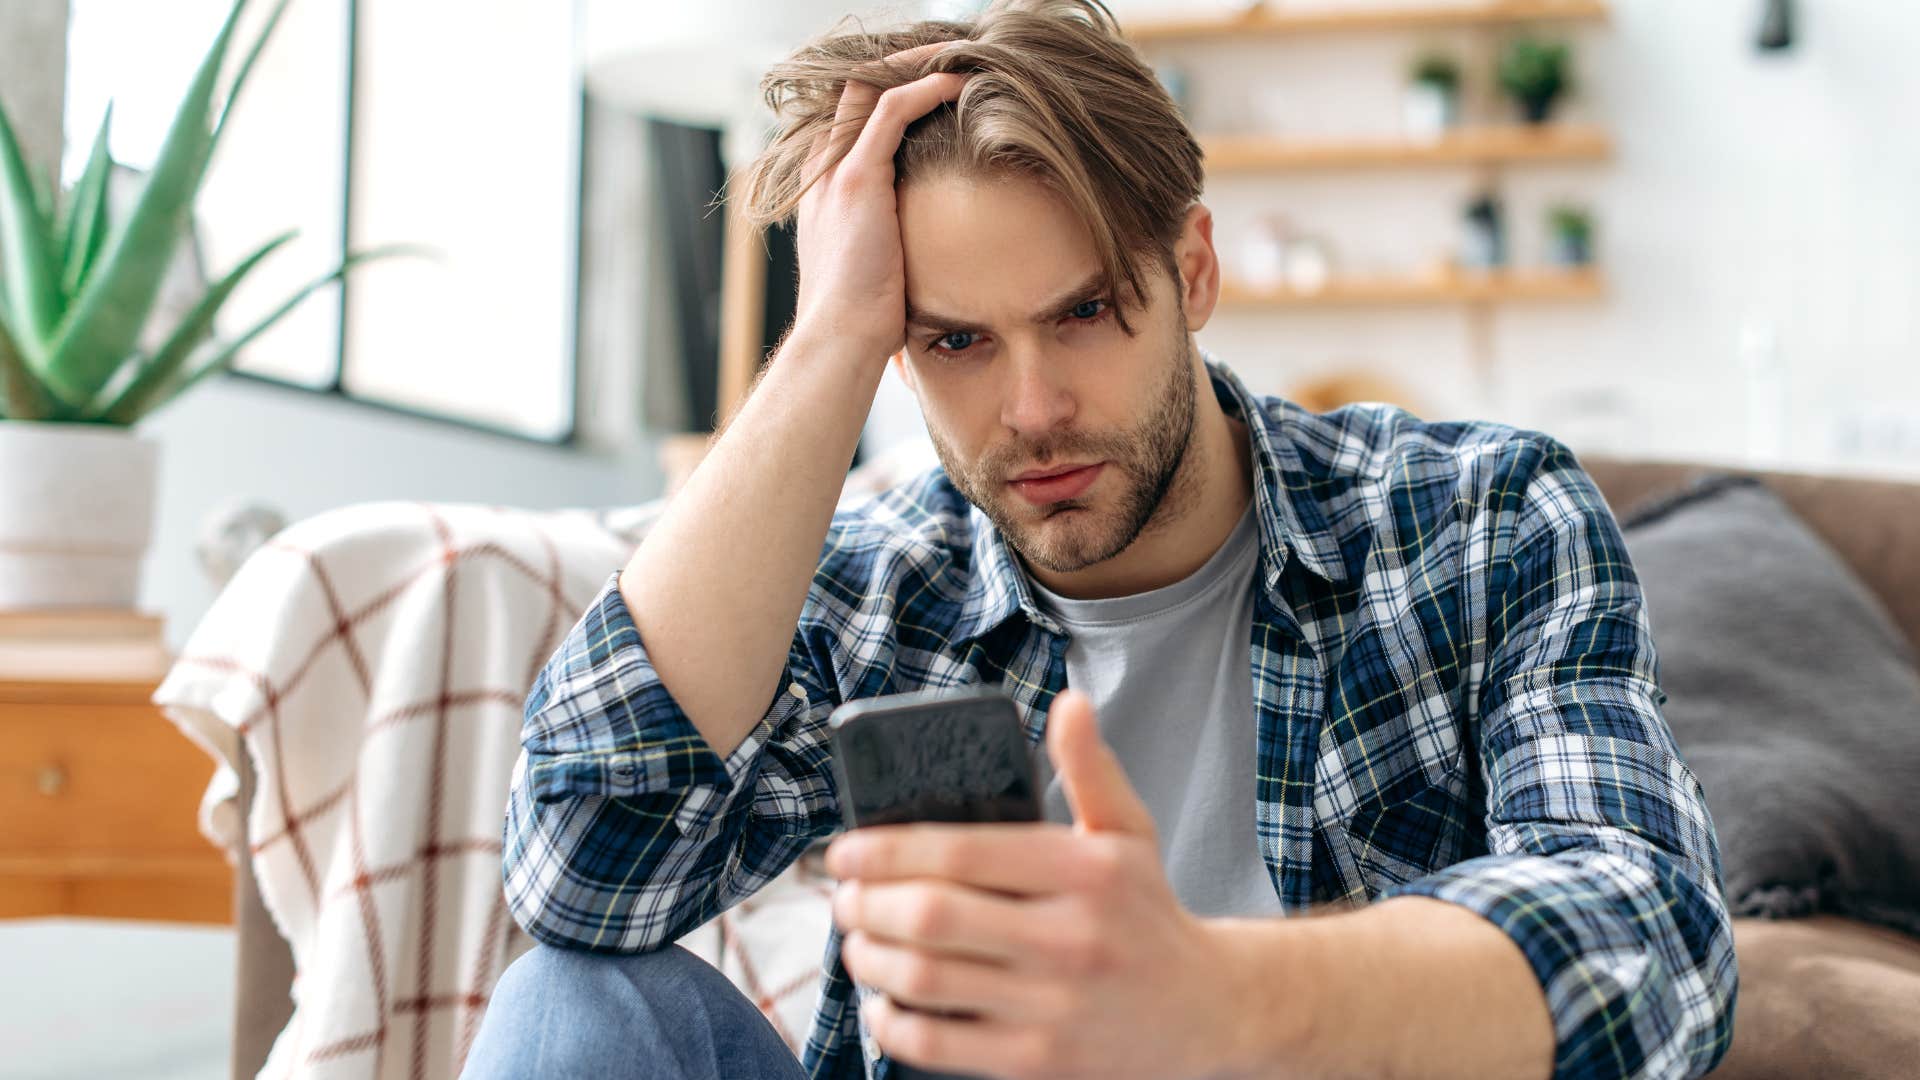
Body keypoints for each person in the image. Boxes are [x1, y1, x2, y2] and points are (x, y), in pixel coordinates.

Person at [466, 2, 1737, 1077]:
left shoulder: (1479, 521)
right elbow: (583, 870)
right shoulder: (881, 585)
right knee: (570, 1011)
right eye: (955, 341)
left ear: (1190, 272)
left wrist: (1213, 994)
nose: (1031, 412)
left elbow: (1651, 939)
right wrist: (832, 343)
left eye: (1082, 313)